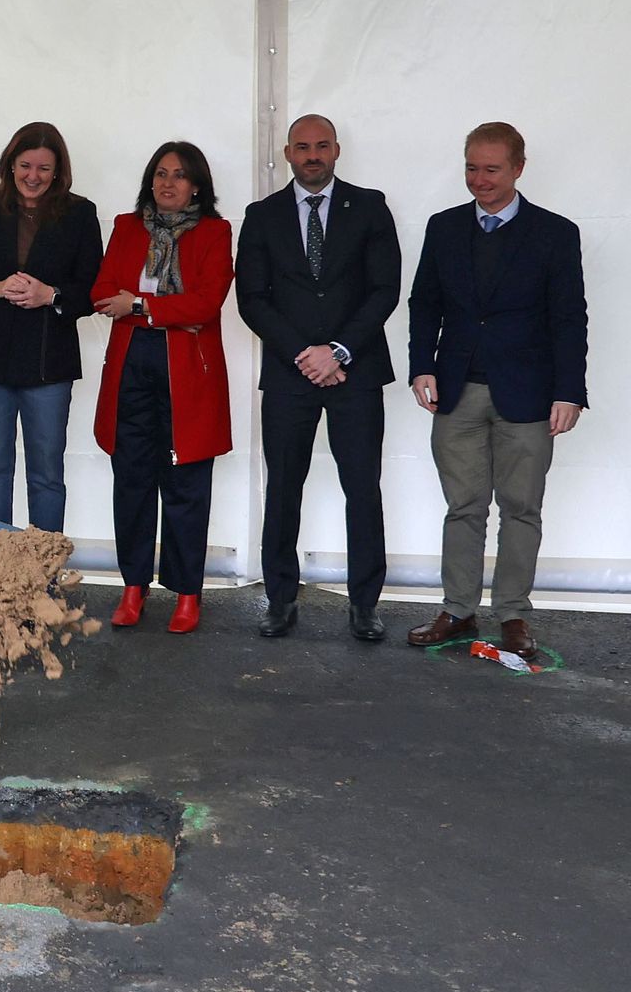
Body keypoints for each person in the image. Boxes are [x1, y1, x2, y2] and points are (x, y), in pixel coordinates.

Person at [405, 122, 588, 660]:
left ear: (518, 169)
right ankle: (458, 609)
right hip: (457, 392)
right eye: (470, 168)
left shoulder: (555, 233)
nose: (478, 180)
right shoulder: (443, 228)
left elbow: (568, 318)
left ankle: (513, 615)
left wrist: (569, 390)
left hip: (529, 396)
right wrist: (422, 367)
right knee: (463, 507)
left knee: (521, 507)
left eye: (490, 169)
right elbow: (424, 305)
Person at [236, 114, 402, 642]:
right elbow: (251, 299)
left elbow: (384, 289)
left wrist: (338, 352)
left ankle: (364, 605)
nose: (313, 155)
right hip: (290, 375)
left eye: (322, 146)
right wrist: (303, 355)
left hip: (356, 371)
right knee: (284, 487)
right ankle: (280, 600)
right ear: (287, 153)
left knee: (362, 488)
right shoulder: (261, 215)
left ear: (337, 150)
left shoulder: (370, 206)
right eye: (302, 147)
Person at [91, 141, 234, 635]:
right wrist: (161, 310)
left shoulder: (215, 232)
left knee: (186, 485)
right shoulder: (126, 227)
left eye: (179, 175)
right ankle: (133, 587)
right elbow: (101, 293)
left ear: (197, 185)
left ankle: (187, 593)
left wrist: (142, 307)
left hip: (187, 374)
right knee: (130, 479)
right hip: (131, 365)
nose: (167, 183)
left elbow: (206, 304)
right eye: (160, 174)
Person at [0, 121, 104, 533]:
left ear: (59, 172)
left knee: (47, 476)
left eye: (44, 169)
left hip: (48, 364)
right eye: (25, 165)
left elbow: (93, 289)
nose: (33, 176)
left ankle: (43, 580)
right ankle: (0, 581)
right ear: (10, 165)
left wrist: (51, 295)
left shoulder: (80, 213)